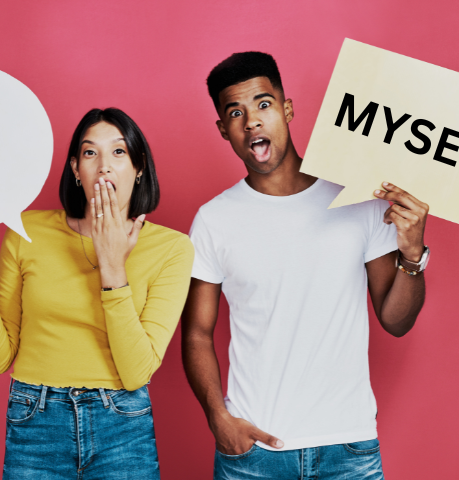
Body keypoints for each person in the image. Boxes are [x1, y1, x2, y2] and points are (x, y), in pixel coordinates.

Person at [182, 52, 430, 479]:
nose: (252, 122)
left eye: (263, 104)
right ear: (224, 130)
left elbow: (396, 321)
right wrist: (217, 417)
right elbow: (197, 333)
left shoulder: (358, 201)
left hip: (348, 450)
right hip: (253, 456)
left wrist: (412, 255)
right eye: (235, 112)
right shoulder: (213, 220)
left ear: (287, 109)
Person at [0, 107, 194, 480]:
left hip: (122, 423)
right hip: (35, 418)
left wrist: (113, 266)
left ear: (139, 166)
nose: (104, 165)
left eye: (118, 152)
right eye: (89, 152)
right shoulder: (27, 231)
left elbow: (136, 372)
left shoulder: (172, 248)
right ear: (75, 169)